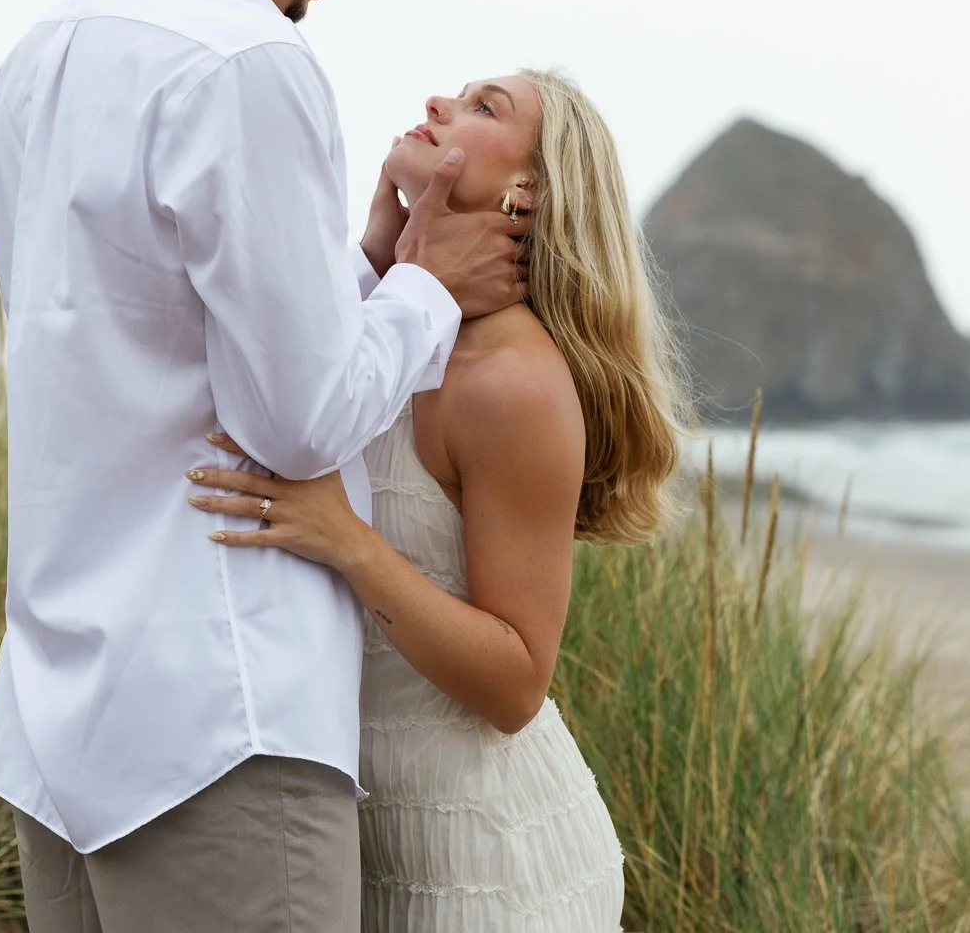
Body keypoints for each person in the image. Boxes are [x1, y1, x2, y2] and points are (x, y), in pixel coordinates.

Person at [0, 0, 528, 933]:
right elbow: (298, 421)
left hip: (55, 717)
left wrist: (367, 265)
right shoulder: (249, 63)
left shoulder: (40, 57)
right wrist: (426, 287)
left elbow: (138, 339)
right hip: (215, 727)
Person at [185, 69, 688, 930]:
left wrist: (346, 541)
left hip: (494, 866)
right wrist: (382, 254)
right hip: (374, 845)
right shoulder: (384, 326)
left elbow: (518, 681)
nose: (435, 104)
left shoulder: (512, 381)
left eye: (483, 106)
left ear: (530, 192)